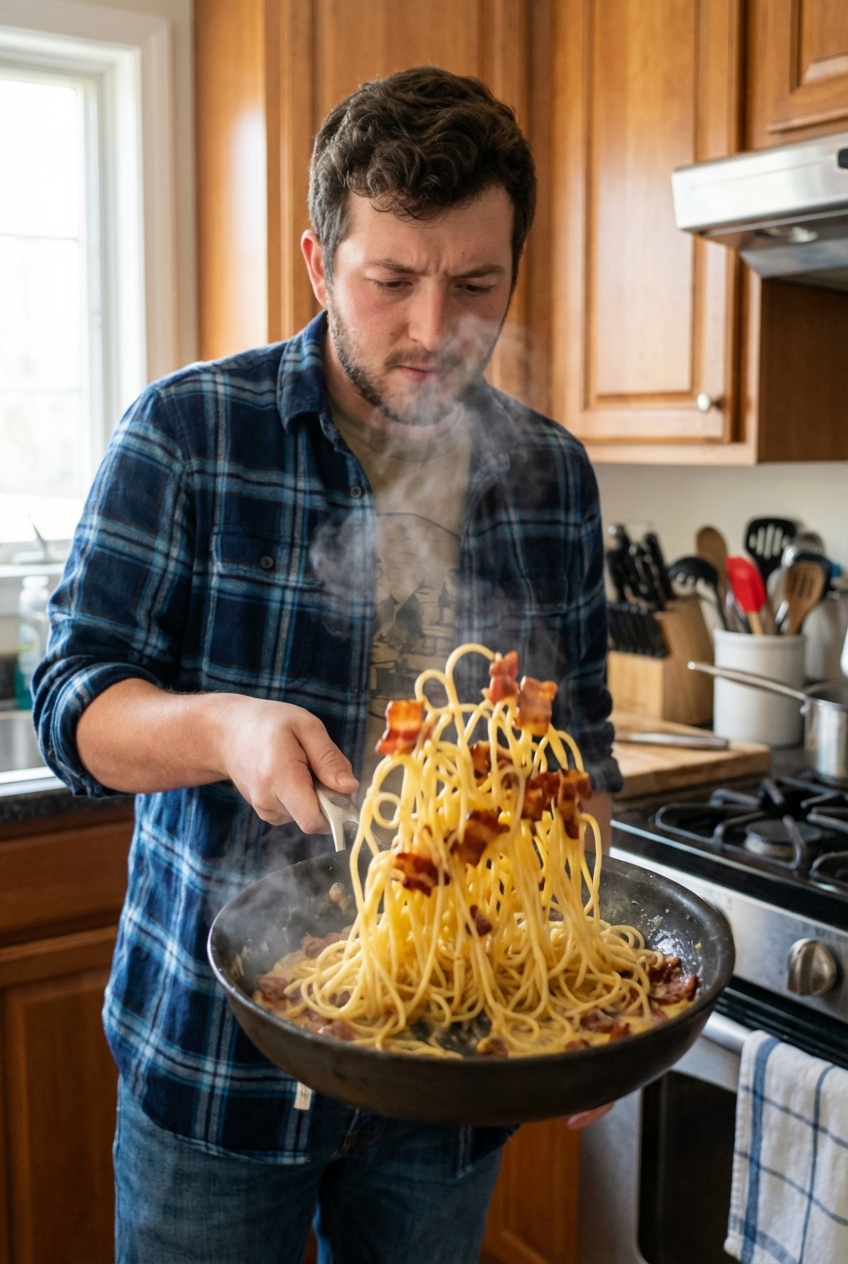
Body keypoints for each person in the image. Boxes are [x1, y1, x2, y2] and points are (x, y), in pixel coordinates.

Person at [34, 66, 621, 1264]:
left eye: (473, 285)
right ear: (317, 262)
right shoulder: (190, 431)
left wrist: (587, 993)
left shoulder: (549, 473)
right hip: (217, 1067)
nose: (429, 329)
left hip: (453, 1071)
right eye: (390, 281)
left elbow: (581, 755)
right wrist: (224, 731)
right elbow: (71, 704)